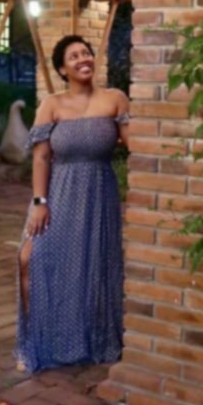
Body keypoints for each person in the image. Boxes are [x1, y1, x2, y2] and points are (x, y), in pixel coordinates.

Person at [14, 33, 130, 374]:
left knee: (91, 267)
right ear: (63, 69)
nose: (83, 59)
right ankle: (35, 341)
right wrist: (39, 202)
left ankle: (88, 337)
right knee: (28, 258)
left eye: (87, 53)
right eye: (74, 56)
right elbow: (41, 158)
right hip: (58, 193)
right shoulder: (52, 104)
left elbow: (135, 144)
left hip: (98, 193)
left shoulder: (115, 99)